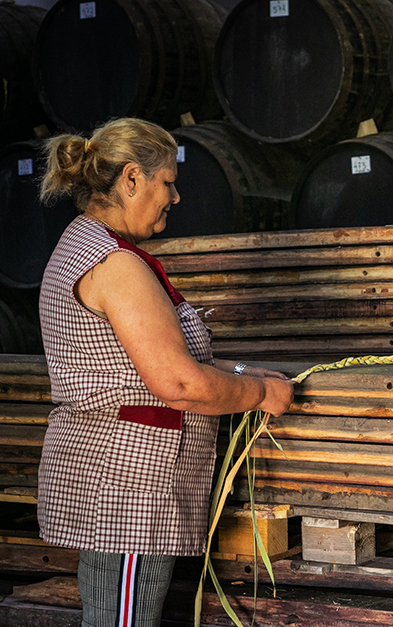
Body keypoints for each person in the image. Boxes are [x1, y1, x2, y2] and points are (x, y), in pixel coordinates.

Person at [36, 117, 294, 627]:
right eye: (168, 183)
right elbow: (177, 382)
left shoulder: (88, 246)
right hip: (129, 492)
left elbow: (162, 360)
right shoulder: (115, 265)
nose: (174, 198)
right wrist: (260, 390)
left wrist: (246, 369)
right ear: (132, 179)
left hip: (116, 483)